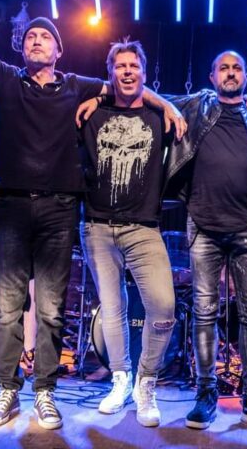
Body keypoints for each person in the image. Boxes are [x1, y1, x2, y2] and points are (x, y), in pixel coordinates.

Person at [0, 0, 184, 430]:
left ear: (59, 51)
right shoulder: (7, 80)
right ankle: (7, 390)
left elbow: (128, 85)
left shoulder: (78, 85)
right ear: (22, 48)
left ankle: (45, 392)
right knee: (10, 308)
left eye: (46, 37)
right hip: (11, 207)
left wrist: (167, 105)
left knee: (52, 309)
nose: (37, 40)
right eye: (30, 36)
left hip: (60, 210)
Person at [165, 51, 247, 437]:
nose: (230, 73)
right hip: (203, 227)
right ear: (212, 76)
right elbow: (154, 98)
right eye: (223, 68)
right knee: (204, 312)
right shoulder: (198, 107)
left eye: (237, 68)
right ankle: (206, 393)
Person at [79, 38, 175, 427]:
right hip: (97, 227)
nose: (128, 71)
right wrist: (99, 97)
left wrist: (166, 104)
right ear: (110, 73)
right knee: (112, 309)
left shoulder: (160, 117)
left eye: (134, 65)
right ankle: (120, 380)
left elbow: (203, 106)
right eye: (120, 66)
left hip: (144, 227)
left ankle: (145, 383)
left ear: (144, 72)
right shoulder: (93, 114)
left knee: (164, 309)